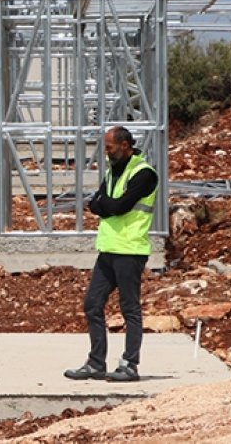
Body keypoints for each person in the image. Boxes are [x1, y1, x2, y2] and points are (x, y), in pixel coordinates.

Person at [65, 126, 158, 383]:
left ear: (126, 145)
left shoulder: (144, 174)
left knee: (129, 308)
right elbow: (96, 203)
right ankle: (96, 363)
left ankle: (130, 364)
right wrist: (104, 205)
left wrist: (104, 205)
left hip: (130, 250)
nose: (106, 152)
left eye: (110, 147)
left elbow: (118, 206)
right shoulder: (112, 172)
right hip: (108, 249)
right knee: (92, 304)